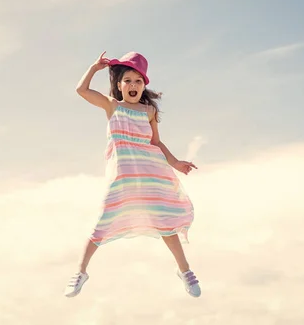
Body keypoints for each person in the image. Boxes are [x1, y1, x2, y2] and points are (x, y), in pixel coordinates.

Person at [64, 51, 201, 298]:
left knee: (166, 224)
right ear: (119, 85)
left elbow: (156, 143)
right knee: (102, 223)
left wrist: (176, 162)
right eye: (128, 80)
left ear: (143, 85)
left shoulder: (149, 111)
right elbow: (81, 90)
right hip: (122, 177)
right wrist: (94, 68)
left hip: (151, 173)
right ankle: (81, 272)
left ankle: (185, 271)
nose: (133, 85)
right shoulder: (112, 106)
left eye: (138, 81)